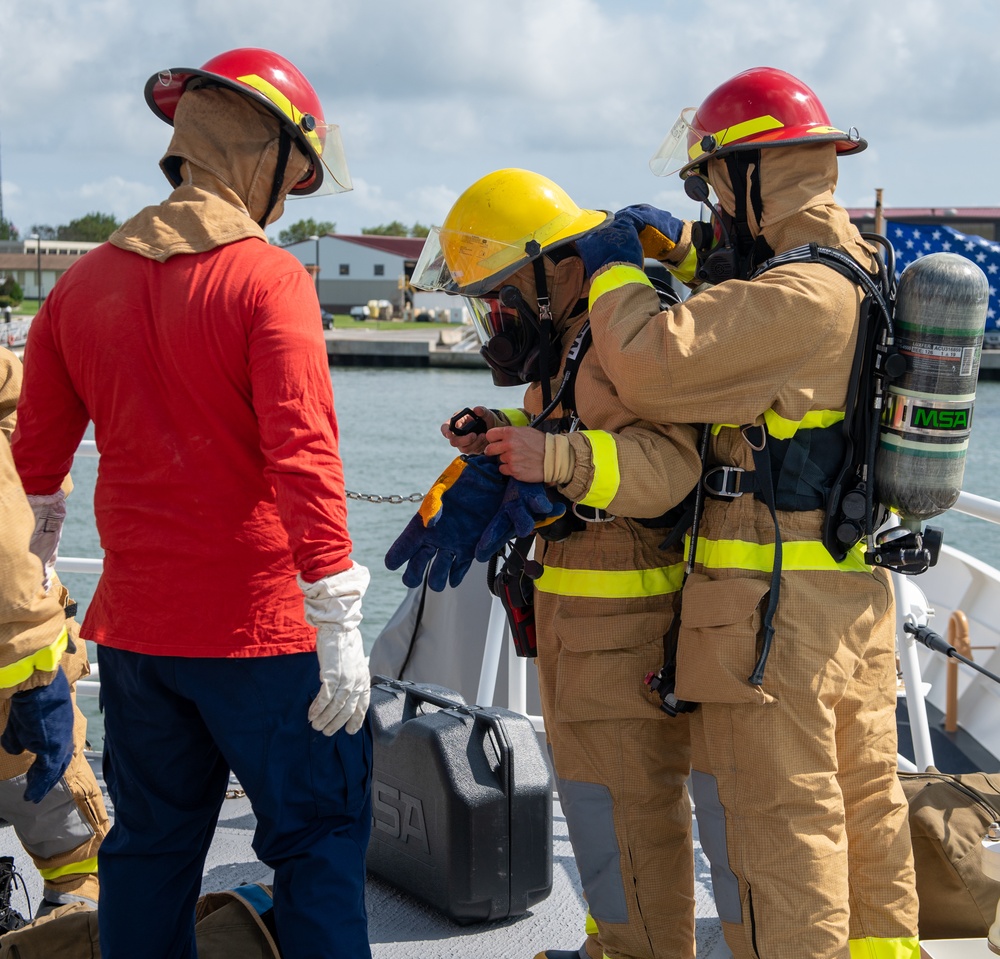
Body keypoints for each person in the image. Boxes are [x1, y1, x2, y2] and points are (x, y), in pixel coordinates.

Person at [11, 48, 372, 959]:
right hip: (263, 636)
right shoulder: (269, 279)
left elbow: (34, 469)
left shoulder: (80, 286)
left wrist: (37, 572)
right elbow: (304, 455)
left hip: (136, 638)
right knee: (319, 839)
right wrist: (338, 615)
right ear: (265, 155)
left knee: (149, 848)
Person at [569, 67, 920, 959]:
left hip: (772, 618)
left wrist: (614, 270)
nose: (713, 204)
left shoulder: (793, 298)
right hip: (849, 599)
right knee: (864, 805)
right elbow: (748, 276)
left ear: (750, 174)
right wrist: (686, 247)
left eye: (714, 184)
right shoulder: (860, 266)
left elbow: (654, 364)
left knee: (779, 829)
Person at [404, 168, 704, 959]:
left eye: (502, 296)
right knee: (596, 805)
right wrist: (502, 429)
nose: (496, 318)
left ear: (562, 271)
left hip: (627, 624)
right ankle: (615, 944)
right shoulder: (571, 345)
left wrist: (557, 458)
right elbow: (575, 423)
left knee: (632, 810)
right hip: (578, 622)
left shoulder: (621, 336)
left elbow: (670, 465)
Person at [0, 346, 108, 924]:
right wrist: (40, 679)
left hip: (18, 665)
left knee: (68, 844)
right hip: (20, 672)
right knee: (72, 850)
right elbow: (13, 574)